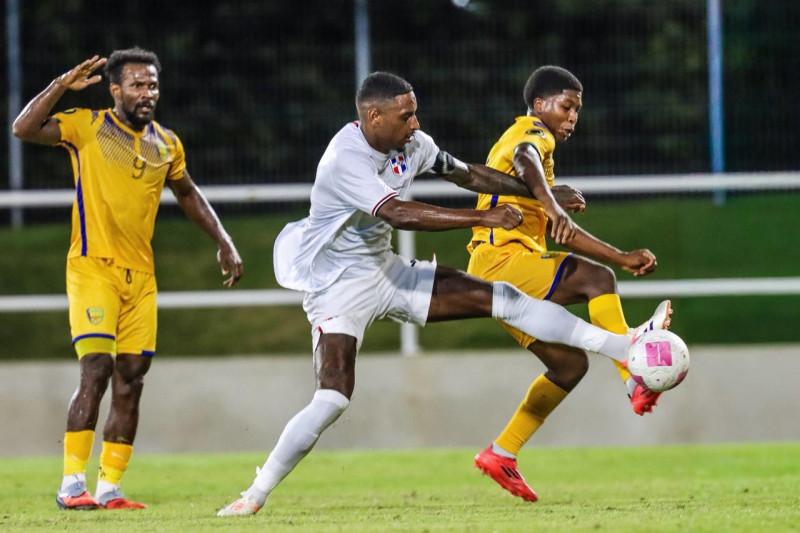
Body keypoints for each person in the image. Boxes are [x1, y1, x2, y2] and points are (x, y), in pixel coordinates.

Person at [216, 71, 668, 516]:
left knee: (505, 299)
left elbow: (470, 175)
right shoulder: (344, 159)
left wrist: (540, 193)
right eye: (406, 116)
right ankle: (254, 495)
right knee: (333, 398)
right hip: (335, 288)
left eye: (415, 115)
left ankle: (627, 348)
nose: (415, 124)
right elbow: (398, 213)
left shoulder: (413, 144)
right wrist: (481, 220)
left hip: (387, 273)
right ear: (374, 117)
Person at [12, 49, 243, 510]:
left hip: (142, 276)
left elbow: (187, 192)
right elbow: (23, 128)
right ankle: (71, 484)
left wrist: (223, 240)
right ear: (114, 89)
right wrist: (60, 84)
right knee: (96, 367)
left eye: (152, 85)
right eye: (136, 85)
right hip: (91, 265)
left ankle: (110, 487)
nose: (146, 93)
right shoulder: (88, 126)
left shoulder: (167, 144)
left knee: (132, 378)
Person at [466, 65, 670, 503]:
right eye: (567, 106)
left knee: (569, 366)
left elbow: (563, 232)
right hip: (503, 261)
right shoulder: (532, 132)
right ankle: (632, 371)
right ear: (540, 105)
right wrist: (552, 201)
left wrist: (621, 256)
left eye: (577, 109)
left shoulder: (540, 172)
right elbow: (525, 157)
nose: (573, 117)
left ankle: (502, 453)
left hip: (496, 269)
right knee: (595, 280)